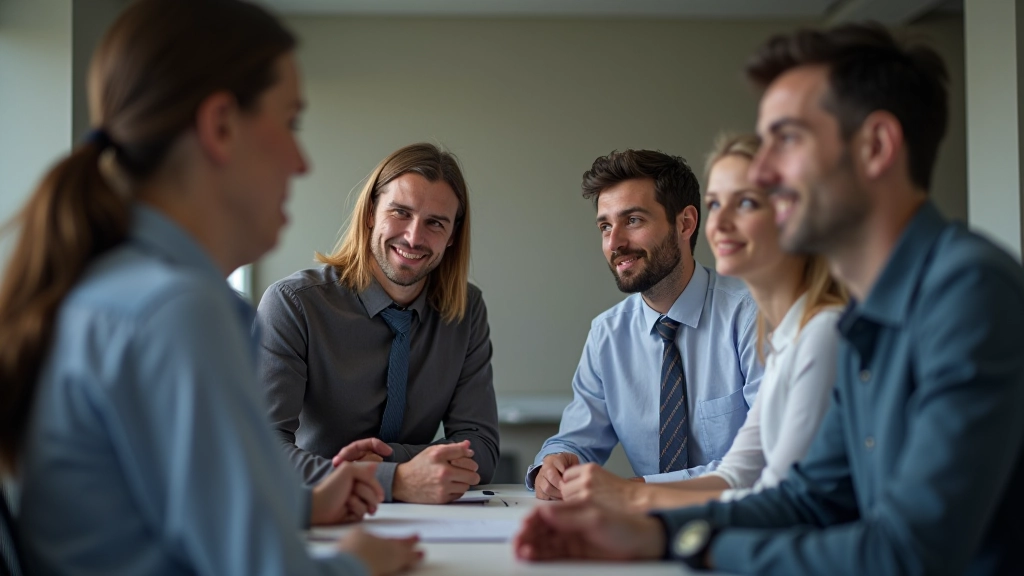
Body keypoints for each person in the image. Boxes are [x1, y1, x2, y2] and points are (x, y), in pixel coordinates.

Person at [513, 22, 1024, 575]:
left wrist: (693, 545)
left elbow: (906, 554)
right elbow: (808, 499)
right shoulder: (863, 313)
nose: (763, 171)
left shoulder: (969, 292)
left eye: (788, 138)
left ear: (875, 147)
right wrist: (652, 533)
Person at [0, 1, 420, 574]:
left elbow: (158, 505)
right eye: (290, 123)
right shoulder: (175, 311)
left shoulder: (112, 288)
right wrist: (358, 564)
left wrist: (304, 504)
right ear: (220, 125)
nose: (301, 163)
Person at [558, 134, 846, 513]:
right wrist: (628, 499)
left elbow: (784, 491)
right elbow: (739, 473)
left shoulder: (817, 331)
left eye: (745, 203)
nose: (719, 223)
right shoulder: (783, 331)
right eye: (715, 204)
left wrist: (634, 497)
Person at [257, 142, 499, 504]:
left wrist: (390, 463)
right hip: (315, 510)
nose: (414, 237)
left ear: (452, 237)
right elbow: (260, 450)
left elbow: (481, 447)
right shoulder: (293, 304)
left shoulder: (466, 309)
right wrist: (392, 480)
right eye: (400, 212)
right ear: (371, 212)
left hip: (427, 519)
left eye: (435, 223)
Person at [528, 150, 764, 500]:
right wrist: (554, 463)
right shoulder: (607, 335)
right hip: (643, 525)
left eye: (633, 220)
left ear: (685, 223)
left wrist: (637, 490)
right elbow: (577, 440)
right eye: (605, 226)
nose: (614, 243)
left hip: (743, 520)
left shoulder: (754, 316)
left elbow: (770, 458)